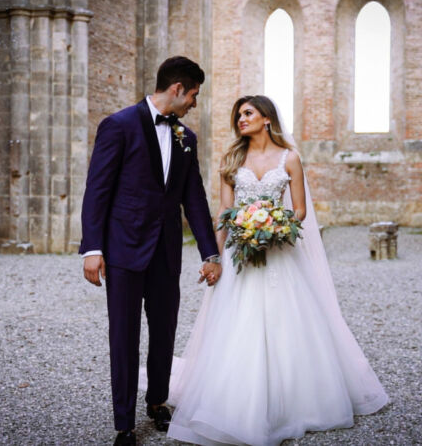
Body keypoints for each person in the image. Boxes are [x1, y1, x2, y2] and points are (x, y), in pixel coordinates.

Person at [166, 95, 389, 445]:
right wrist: (215, 258)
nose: (241, 119)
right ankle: (237, 402)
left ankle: (293, 401)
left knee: (288, 323)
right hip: (241, 254)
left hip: (279, 252)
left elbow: (299, 210)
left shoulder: (290, 159)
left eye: (248, 113)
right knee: (238, 326)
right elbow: (224, 214)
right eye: (239, 115)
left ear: (266, 118)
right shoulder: (231, 160)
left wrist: (273, 226)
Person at [79, 56, 223, 446]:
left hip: (165, 252)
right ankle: (124, 423)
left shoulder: (186, 139)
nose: (194, 103)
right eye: (193, 95)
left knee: (164, 330)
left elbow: (194, 198)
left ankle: (157, 401)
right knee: (123, 336)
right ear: (177, 89)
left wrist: (210, 254)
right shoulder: (119, 125)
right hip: (123, 250)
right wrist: (92, 248)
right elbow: (98, 190)